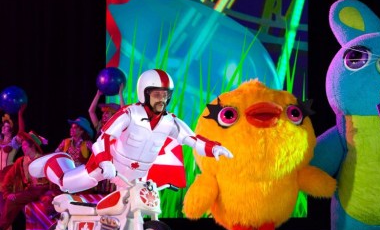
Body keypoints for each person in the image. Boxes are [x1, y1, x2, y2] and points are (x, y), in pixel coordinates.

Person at [32, 68, 232, 194]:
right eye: (157, 94)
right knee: (68, 184)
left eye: (165, 95)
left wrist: (214, 148)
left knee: (131, 212)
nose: (162, 99)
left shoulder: (169, 121)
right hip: (108, 166)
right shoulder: (129, 114)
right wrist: (105, 163)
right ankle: (56, 161)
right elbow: (103, 140)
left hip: (137, 175)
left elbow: (192, 139)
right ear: (145, 93)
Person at [0, 132, 56, 230]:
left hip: (43, 189)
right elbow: (9, 177)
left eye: (25, 145)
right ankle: (2, 228)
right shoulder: (21, 161)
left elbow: (53, 176)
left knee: (49, 201)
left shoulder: (43, 159)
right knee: (12, 200)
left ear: (32, 146)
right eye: (22, 145)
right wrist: (7, 192)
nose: (23, 148)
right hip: (30, 191)